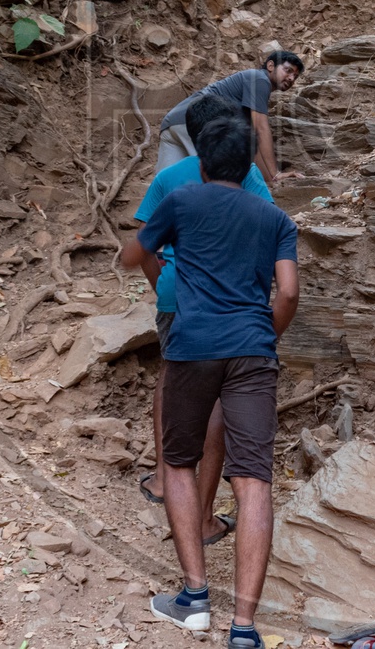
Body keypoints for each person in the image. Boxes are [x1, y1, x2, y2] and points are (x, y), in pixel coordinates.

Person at [122, 116, 299, 647]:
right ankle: (244, 629)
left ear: (199, 161)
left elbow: (134, 256)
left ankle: (194, 599)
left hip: (193, 347)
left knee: (178, 462)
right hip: (252, 352)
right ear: (248, 164)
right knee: (254, 483)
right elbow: (287, 293)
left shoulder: (181, 202)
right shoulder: (275, 218)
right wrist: (262, 336)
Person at [125, 95, 275, 541]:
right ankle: (204, 515)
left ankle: (161, 477)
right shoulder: (247, 177)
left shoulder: (170, 178)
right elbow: (268, 231)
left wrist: (165, 286)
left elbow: (142, 245)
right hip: (232, 304)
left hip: (177, 295)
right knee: (215, 406)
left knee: (171, 379)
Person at [155, 51, 303, 183]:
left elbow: (254, 143)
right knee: (215, 179)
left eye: (295, 76)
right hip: (197, 123)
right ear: (271, 66)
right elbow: (261, 129)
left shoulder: (251, 89)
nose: (291, 78)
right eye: (288, 70)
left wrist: (269, 179)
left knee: (166, 184)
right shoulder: (260, 79)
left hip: (172, 124)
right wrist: (275, 173)